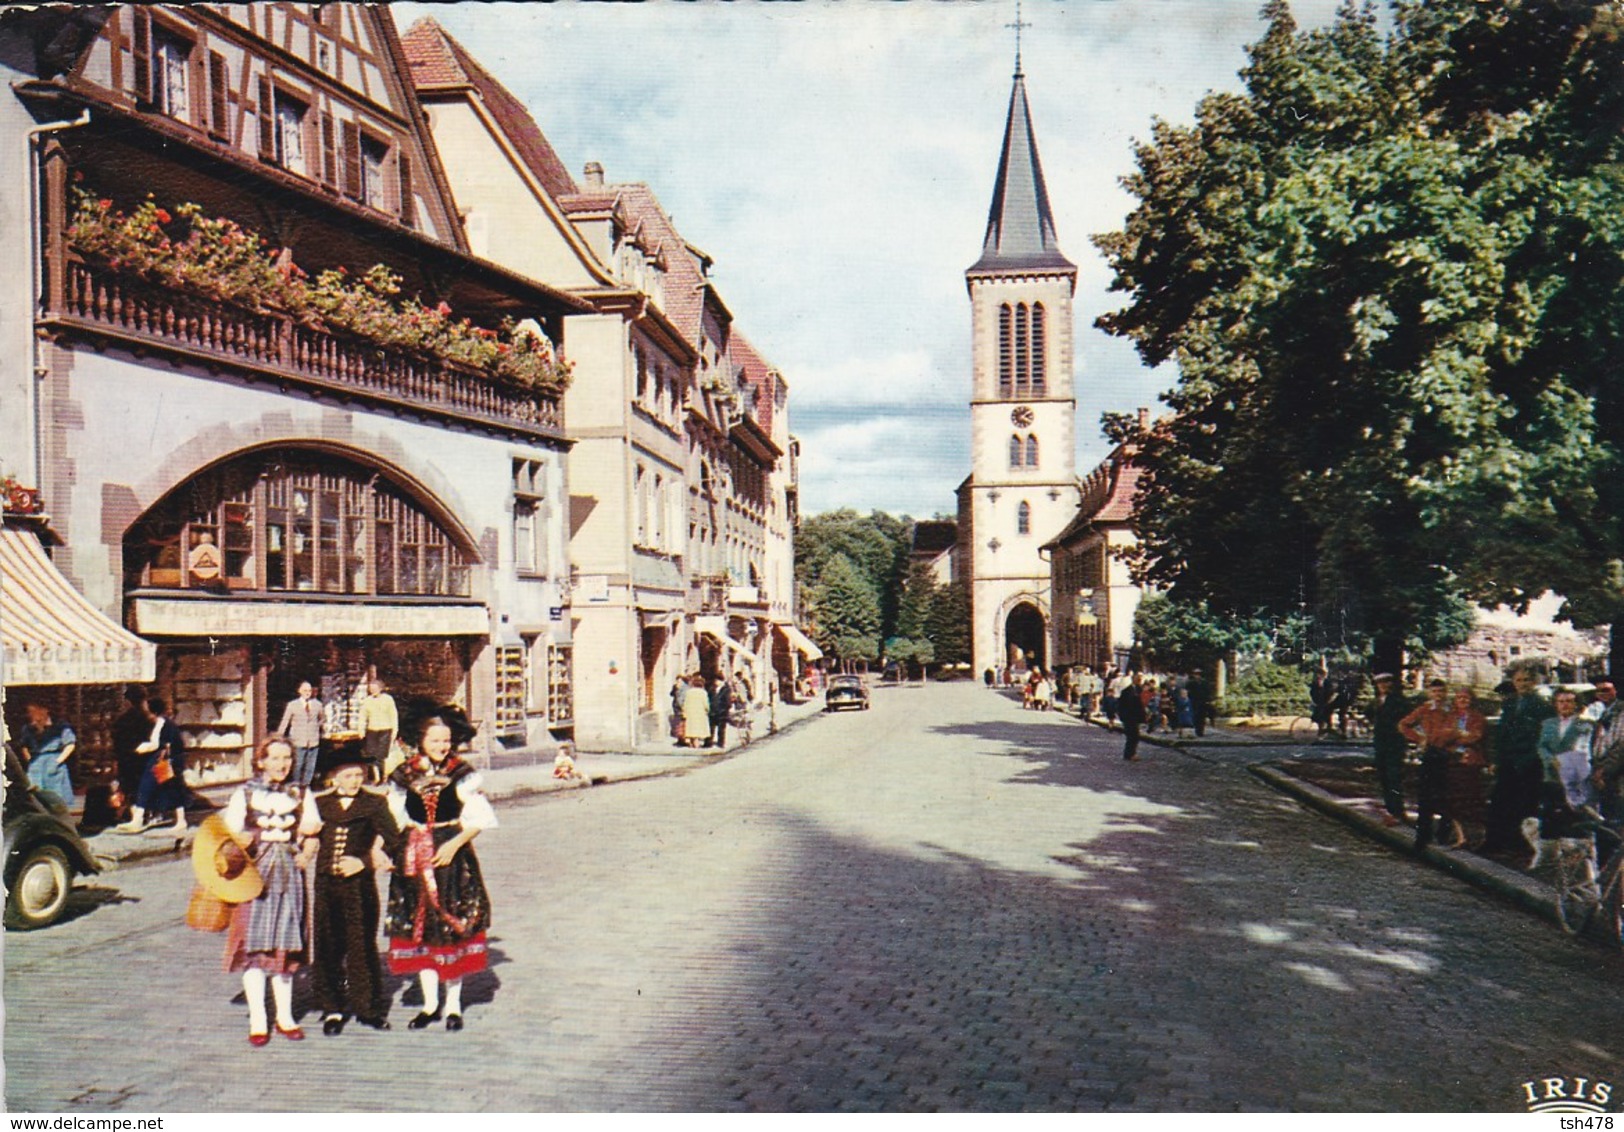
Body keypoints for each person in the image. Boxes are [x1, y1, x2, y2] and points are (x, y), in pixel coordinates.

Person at [386, 707, 495, 1033]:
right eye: (434, 740)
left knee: (450, 925)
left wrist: (454, 844)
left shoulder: (462, 774)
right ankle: (430, 1004)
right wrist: (399, 849)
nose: (441, 745)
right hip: (416, 854)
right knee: (421, 926)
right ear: (421, 741)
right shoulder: (404, 775)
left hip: (450, 854)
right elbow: (395, 818)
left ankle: (453, 1004)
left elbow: (479, 819)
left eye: (446, 740)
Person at [300, 744, 402, 1036]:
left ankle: (367, 1008)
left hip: (359, 888)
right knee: (327, 944)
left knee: (361, 945)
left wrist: (366, 861)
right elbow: (306, 838)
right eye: (347, 775)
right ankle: (331, 1008)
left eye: (359, 774)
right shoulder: (320, 805)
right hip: (326, 885)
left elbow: (396, 840)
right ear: (333, 777)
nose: (354, 781)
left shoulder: (374, 803)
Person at [223, 736, 313, 1045]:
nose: (281, 764)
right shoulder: (244, 794)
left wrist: (307, 853)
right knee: (254, 946)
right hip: (254, 875)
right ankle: (259, 1019)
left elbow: (313, 832)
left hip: (288, 876)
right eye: (274, 758)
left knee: (284, 946)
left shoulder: (301, 793)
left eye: (286, 758)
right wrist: (241, 841)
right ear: (261, 761)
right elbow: (229, 836)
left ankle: (285, 1017)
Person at [1482, 668, 1555, 856]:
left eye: (1527, 680)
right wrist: (1496, 759)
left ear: (1534, 683)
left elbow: (1542, 737)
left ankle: (1520, 845)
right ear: (1514, 682)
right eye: (1519, 680)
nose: (1523, 683)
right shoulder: (1510, 704)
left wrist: (1529, 759)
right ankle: (1493, 843)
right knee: (1499, 801)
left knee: (1525, 804)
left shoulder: (1543, 706)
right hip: (1507, 761)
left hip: (1529, 762)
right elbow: (1501, 734)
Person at [1532, 688, 1595, 868]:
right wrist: (1551, 760)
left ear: (1576, 704)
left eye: (1569, 701)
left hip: (1574, 776)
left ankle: (1575, 858)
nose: (1565, 705)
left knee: (1572, 813)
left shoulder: (1586, 724)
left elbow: (1584, 748)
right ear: (1555, 704)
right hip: (1551, 775)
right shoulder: (1548, 724)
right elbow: (1541, 746)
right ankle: (1546, 856)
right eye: (1561, 701)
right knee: (1550, 813)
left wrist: (1568, 763)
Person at [1399, 679, 1460, 850]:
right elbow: (1403, 725)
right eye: (1434, 692)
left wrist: (1455, 745)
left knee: (1446, 796)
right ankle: (1422, 836)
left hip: (1448, 754)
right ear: (1429, 693)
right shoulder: (1424, 710)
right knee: (1425, 796)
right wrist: (1420, 739)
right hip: (1430, 753)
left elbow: (1461, 730)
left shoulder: (1453, 711)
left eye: (1441, 691)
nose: (1438, 695)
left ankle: (1443, 835)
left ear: (1446, 692)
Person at [116, 697, 187, 833]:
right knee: (164, 788)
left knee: (153, 787)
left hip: (163, 761)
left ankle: (138, 821)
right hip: (161, 760)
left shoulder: (165, 724)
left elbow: (162, 744)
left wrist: (144, 748)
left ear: (154, 712)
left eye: (148, 711)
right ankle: (179, 820)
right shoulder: (161, 723)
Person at [1443, 686, 1489, 849]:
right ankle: (1461, 837)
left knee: (1472, 800)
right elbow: (1442, 736)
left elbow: (1475, 736)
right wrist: (1459, 735)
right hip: (1452, 761)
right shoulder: (1450, 716)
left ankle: (1480, 836)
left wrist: (1455, 736)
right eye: (1459, 697)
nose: (1462, 700)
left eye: (1466, 697)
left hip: (1471, 762)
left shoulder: (1478, 718)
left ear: (1471, 700)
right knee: (1453, 801)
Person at [1368, 673, 1411, 828]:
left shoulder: (1399, 701)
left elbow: (1407, 720)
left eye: (1386, 682)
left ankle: (1398, 811)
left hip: (1395, 744)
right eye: (1380, 683)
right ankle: (1390, 809)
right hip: (1381, 744)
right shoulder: (1376, 701)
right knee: (1384, 777)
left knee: (1394, 778)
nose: (1383, 686)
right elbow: (1371, 716)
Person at [17, 703, 76, 808]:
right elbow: (23, 746)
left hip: (53, 760)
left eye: (34, 711)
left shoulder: (60, 726)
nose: (31, 714)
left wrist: (58, 761)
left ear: (44, 710)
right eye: (30, 712)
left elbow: (70, 744)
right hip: (36, 763)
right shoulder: (28, 728)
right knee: (36, 796)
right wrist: (30, 760)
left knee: (57, 798)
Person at [111, 686, 150, 823]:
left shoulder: (123, 720)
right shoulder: (149, 719)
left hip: (127, 759)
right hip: (145, 759)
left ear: (127, 701)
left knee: (130, 788)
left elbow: (117, 742)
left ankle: (136, 817)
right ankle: (144, 815)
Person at [276, 680, 325, 788]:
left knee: (310, 766)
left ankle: (306, 787)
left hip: (313, 741)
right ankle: (295, 786)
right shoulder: (293, 705)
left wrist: (317, 727)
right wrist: (279, 737)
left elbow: (322, 719)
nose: (308, 693)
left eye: (309, 690)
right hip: (298, 740)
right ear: (299, 691)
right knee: (298, 765)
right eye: (305, 690)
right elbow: (285, 721)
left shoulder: (318, 704)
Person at [358, 679, 398, 783]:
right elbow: (363, 716)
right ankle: (375, 776)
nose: (373, 690)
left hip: (385, 730)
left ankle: (382, 775)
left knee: (381, 755)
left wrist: (394, 731)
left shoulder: (388, 699)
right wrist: (361, 730)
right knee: (371, 754)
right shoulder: (367, 700)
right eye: (371, 689)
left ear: (380, 689)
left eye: (375, 688)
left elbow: (393, 716)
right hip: (372, 730)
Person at [1117, 672, 1146, 762]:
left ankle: (1129, 753)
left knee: (1134, 736)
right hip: (1129, 717)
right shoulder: (1127, 691)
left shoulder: (1138, 689)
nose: (1140, 680)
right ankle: (1130, 754)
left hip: (1135, 717)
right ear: (1134, 679)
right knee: (1132, 735)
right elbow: (1122, 705)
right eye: (1138, 678)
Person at [681, 675, 710, 750]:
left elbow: (685, 703)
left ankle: (691, 744)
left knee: (691, 729)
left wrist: (684, 712)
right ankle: (696, 746)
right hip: (699, 714)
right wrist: (707, 710)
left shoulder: (689, 692)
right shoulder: (703, 693)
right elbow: (706, 704)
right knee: (697, 731)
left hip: (690, 713)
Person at [709, 674, 733, 751]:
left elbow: (728, 701)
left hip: (722, 712)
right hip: (713, 711)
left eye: (718, 681)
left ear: (722, 681)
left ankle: (721, 743)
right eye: (715, 681)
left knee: (721, 728)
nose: (716, 682)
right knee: (711, 728)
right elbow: (709, 698)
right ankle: (709, 742)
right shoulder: (712, 689)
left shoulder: (726, 689)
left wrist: (725, 708)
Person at [1186, 671, 1212, 738]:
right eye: (1196, 675)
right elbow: (1188, 691)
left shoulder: (1205, 683)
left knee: (1202, 716)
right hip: (1194, 701)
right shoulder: (1191, 683)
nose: (1197, 676)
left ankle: (1201, 730)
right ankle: (1197, 730)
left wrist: (1208, 700)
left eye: (1198, 675)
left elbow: (1208, 691)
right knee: (1196, 716)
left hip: (1203, 702)